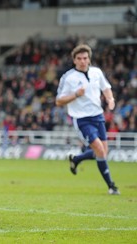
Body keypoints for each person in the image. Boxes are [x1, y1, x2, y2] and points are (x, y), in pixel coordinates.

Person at [55, 44, 120, 195]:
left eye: (85, 58)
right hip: (82, 119)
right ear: (74, 60)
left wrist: (110, 99)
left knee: (103, 151)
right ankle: (111, 186)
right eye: (79, 58)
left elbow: (106, 87)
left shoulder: (97, 72)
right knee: (99, 149)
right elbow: (58, 101)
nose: (83, 61)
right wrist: (76, 94)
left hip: (98, 116)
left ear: (89, 59)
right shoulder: (68, 77)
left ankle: (77, 159)